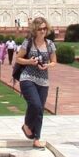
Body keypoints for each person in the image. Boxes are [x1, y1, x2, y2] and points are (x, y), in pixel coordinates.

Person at [15, 18, 57, 149]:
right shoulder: (28, 42)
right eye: (40, 29)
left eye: (45, 28)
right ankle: (27, 125)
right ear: (35, 30)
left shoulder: (50, 44)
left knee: (40, 109)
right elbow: (18, 58)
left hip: (43, 80)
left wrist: (47, 65)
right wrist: (29, 62)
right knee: (35, 104)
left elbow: (54, 61)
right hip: (27, 77)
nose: (43, 31)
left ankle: (37, 138)